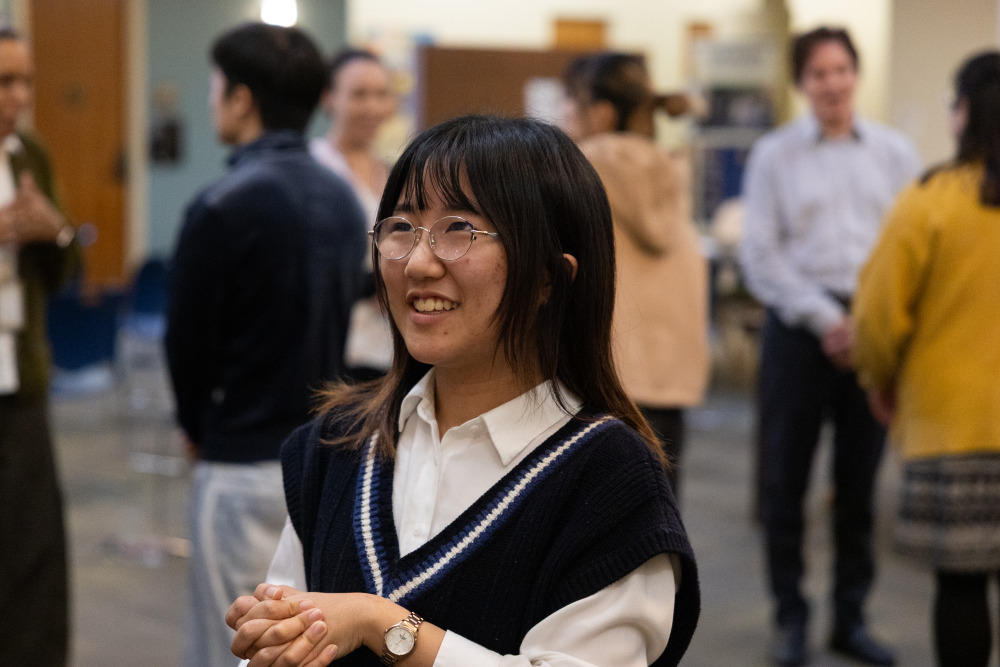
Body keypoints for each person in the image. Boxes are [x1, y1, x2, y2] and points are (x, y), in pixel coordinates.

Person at [224, 114, 701, 667]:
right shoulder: (336, 444)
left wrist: (382, 623)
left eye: (459, 230)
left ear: (549, 278)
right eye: (401, 226)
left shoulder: (609, 480)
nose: (418, 262)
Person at [165, 22, 367, 667]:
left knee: (235, 647)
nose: (212, 101)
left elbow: (187, 346)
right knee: (299, 646)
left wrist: (197, 427)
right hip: (324, 458)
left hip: (241, 454)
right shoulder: (343, 198)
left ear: (242, 98)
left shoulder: (222, 203)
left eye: (216, 87)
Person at [739, 26, 921, 666]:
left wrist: (869, 322)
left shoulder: (895, 153)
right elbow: (760, 255)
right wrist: (826, 320)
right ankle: (790, 618)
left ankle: (850, 618)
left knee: (859, 485)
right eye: (819, 73)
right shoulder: (774, 155)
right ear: (802, 83)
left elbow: (908, 248)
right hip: (798, 328)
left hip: (872, 330)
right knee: (784, 483)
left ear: (855, 74)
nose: (832, 83)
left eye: (841, 69)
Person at [852, 51, 1000, 666]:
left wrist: (877, 377)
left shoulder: (931, 200)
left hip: (952, 426)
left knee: (961, 586)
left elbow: (877, 316)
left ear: (963, 113)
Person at [561, 52, 710, 497]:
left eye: (572, 101)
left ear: (602, 113)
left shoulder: (579, 167)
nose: (565, 112)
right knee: (659, 508)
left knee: (599, 510)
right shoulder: (673, 168)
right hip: (670, 379)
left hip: (606, 375)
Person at [0, 26, 81, 667]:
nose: (20, 96)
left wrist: (55, 232)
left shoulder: (28, 154)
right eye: (5, 82)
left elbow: (64, 274)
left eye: (25, 80)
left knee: (31, 553)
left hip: (19, 381)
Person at [310, 48, 396, 380]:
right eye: (359, 94)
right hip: (334, 347)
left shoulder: (392, 172)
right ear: (329, 98)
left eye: (381, 94)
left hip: (389, 348)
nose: (372, 107)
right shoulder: (315, 167)